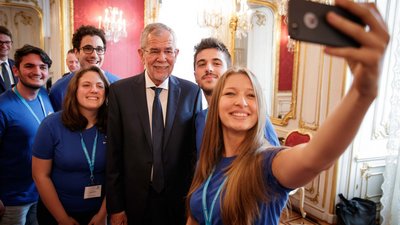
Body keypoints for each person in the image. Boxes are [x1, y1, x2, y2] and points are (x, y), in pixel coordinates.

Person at [186, 1, 390, 225]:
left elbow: (314, 158)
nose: (241, 102)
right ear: (216, 106)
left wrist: (362, 94)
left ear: (259, 109)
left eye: (251, 95)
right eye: (230, 94)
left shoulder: (266, 164)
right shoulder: (207, 162)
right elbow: (195, 213)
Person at [106, 22, 202, 225]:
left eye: (168, 51)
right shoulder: (119, 92)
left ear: (176, 53)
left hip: (178, 204)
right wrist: (116, 208)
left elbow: (195, 155)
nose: (162, 58)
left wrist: (193, 206)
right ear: (141, 54)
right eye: (154, 51)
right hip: (133, 203)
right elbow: (113, 155)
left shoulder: (191, 93)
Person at [32, 66, 109, 225]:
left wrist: (103, 214)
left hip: (99, 214)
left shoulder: (114, 126)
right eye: (86, 85)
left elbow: (119, 174)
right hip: (57, 214)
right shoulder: (51, 125)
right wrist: (62, 219)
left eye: (100, 86)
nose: (94, 90)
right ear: (75, 90)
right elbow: (40, 175)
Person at [193, 37, 279, 154]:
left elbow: (275, 158)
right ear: (195, 75)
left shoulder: (250, 115)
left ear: (228, 72)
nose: (209, 68)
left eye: (216, 63)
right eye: (202, 64)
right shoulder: (199, 119)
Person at [0, 44, 53, 225]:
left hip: (44, 193)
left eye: (42, 67)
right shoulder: (3, 106)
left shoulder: (45, 96)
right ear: (16, 70)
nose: (37, 71)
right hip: (12, 199)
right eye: (29, 66)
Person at [49, 25, 119, 111]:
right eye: (88, 48)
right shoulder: (59, 89)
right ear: (76, 52)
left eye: (99, 49)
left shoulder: (118, 85)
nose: (94, 55)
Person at [0, 26, 17, 95]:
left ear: (11, 44)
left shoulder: (17, 65)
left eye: (7, 42)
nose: (4, 46)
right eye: (0, 42)